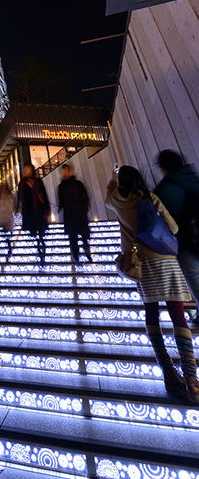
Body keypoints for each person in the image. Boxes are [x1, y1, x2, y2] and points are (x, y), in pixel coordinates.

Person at [106, 165, 199, 402]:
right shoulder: (149, 198)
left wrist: (113, 179)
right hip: (164, 261)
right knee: (178, 315)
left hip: (141, 266)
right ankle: (191, 380)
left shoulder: (116, 200)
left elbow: (108, 193)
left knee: (151, 315)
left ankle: (168, 373)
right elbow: (174, 228)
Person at [154, 149, 199, 325]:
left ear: (164, 167)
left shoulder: (166, 188)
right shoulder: (193, 178)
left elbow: (161, 217)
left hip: (187, 242)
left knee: (194, 278)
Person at [58, 163, 92, 263]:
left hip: (78, 214)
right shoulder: (63, 186)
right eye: (63, 172)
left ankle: (85, 254)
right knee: (75, 238)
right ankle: (78, 257)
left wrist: (84, 208)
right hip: (72, 215)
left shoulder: (76, 184)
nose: (64, 174)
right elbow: (61, 200)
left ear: (69, 171)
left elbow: (84, 197)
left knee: (81, 237)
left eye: (65, 172)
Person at [16, 163, 50, 265]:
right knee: (34, 234)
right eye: (24, 169)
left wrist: (46, 208)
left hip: (38, 211)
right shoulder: (22, 184)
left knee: (40, 233)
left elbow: (43, 194)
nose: (25, 171)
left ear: (32, 170)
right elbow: (19, 197)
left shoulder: (38, 182)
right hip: (28, 213)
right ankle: (39, 250)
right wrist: (17, 207)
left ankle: (41, 251)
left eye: (27, 169)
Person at [0, 182, 15, 252]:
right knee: (5, 231)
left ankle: (9, 243)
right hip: (2, 216)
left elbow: (13, 205)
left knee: (9, 230)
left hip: (8, 215)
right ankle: (8, 243)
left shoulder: (9, 196)